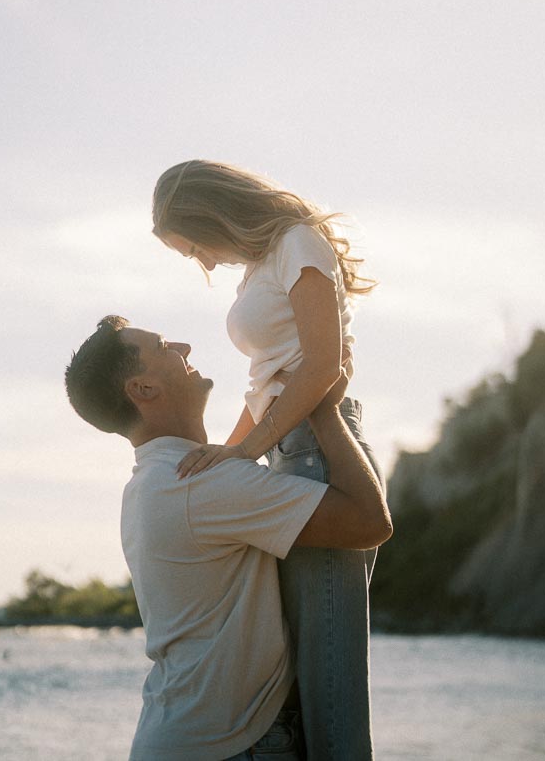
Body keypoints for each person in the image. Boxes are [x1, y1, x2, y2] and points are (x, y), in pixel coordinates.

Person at [64, 316, 391, 761]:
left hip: (179, 740)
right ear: (143, 389)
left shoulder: (152, 482)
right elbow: (369, 523)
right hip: (233, 748)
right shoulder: (201, 487)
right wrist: (323, 410)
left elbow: (247, 437)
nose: (184, 346)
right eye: (163, 345)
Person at [152, 159, 384, 761]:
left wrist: (245, 454)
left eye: (193, 246)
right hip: (288, 449)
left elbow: (322, 366)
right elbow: (268, 383)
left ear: (209, 215)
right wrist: (230, 454)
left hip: (319, 450)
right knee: (301, 680)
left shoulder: (297, 242)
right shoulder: (261, 264)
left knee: (329, 681)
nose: (201, 262)